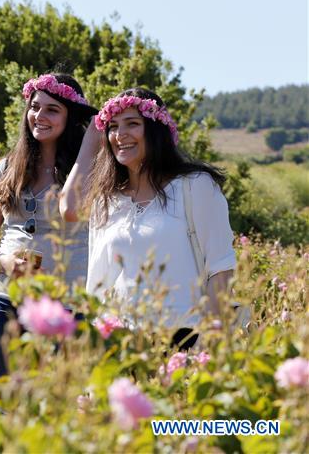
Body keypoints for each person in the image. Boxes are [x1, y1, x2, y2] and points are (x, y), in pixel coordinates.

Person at [85, 88, 236, 349]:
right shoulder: (105, 201)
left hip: (185, 337)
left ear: (156, 130)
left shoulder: (195, 187)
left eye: (133, 124)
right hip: (121, 344)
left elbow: (220, 268)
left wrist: (206, 344)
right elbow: (97, 284)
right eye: (112, 126)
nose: (120, 135)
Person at [0, 73, 96, 376]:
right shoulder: (8, 167)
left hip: (66, 305)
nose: (39, 116)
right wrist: (3, 262)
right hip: (4, 298)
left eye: (52, 109)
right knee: (9, 405)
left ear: (72, 117)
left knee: (59, 404)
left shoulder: (90, 171)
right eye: (35, 107)